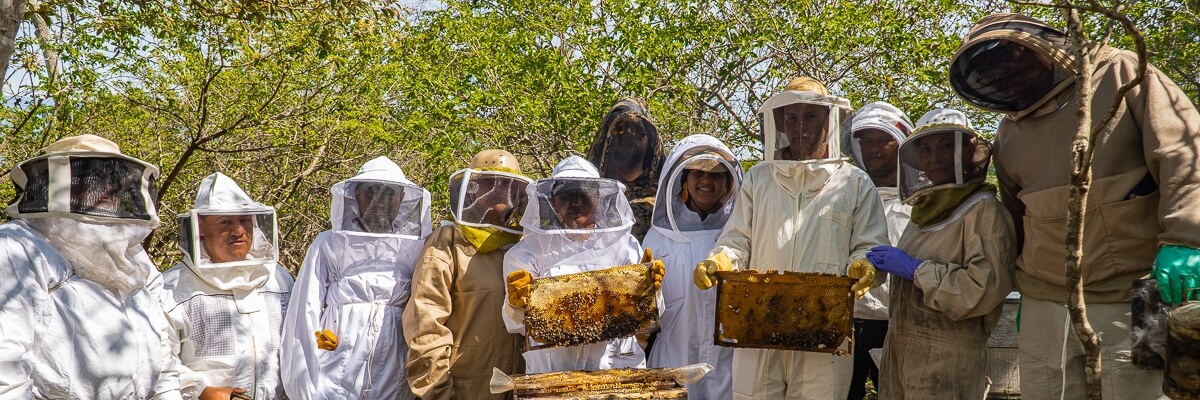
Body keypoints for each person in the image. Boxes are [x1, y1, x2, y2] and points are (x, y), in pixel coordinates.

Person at [949, 13, 1200, 399]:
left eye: (1006, 59)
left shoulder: (1120, 72)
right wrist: (1024, 286)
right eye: (989, 71)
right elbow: (1017, 214)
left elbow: (1184, 152)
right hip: (1043, 304)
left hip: (1132, 296)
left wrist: (1187, 237)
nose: (1001, 75)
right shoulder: (1009, 130)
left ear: (1041, 45)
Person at [692, 77, 888, 399]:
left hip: (824, 331)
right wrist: (720, 259)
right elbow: (738, 240)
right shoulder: (759, 178)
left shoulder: (854, 183)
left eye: (810, 116)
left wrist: (864, 264)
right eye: (792, 117)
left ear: (828, 121)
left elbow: (869, 246)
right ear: (780, 122)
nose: (800, 126)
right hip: (758, 329)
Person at [0, 134, 183, 399]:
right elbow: (5, 369)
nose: (106, 188)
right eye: (92, 177)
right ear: (58, 183)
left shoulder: (133, 256)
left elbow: (161, 351)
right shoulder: (17, 247)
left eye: (114, 179)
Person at [868, 108, 1017, 399]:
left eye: (946, 146)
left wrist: (916, 270)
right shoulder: (924, 212)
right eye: (926, 149)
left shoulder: (984, 211)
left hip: (949, 359)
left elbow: (981, 290)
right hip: (902, 352)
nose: (934, 157)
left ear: (968, 151)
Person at [281, 156, 431, 400]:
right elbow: (304, 309)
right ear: (357, 195)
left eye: (389, 193)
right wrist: (302, 379)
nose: (379, 200)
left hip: (396, 352)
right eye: (372, 191)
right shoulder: (328, 242)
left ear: (401, 198)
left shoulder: (417, 246)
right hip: (337, 354)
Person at [502, 155, 664, 373]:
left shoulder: (626, 246)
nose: (576, 202)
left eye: (585, 194)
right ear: (552, 198)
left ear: (598, 197)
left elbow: (652, 316)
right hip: (553, 371)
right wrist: (515, 305)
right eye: (567, 195)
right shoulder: (527, 252)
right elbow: (515, 325)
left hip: (615, 368)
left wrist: (650, 291)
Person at [402, 150, 532, 399]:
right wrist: (438, 394)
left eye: (506, 184)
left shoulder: (525, 246)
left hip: (517, 387)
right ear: (472, 188)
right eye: (488, 182)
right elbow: (425, 326)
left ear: (518, 191)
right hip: (462, 390)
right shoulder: (448, 241)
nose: (498, 190)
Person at [161, 172, 294, 400]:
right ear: (200, 226)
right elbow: (157, 358)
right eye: (225, 222)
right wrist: (200, 391)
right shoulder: (171, 288)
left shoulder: (278, 278)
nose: (238, 231)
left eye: (244, 221)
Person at [644, 134, 744, 399]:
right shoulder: (658, 236)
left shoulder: (739, 235)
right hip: (673, 357)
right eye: (697, 173)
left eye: (716, 175)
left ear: (728, 183)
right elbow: (644, 316)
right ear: (684, 178)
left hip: (728, 362)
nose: (706, 181)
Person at [844, 101, 914, 400]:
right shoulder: (846, 194)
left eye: (883, 140)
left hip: (898, 322)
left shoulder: (919, 200)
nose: (874, 149)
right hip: (847, 320)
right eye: (867, 141)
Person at [585, 97, 666, 242]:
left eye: (637, 132)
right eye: (620, 132)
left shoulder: (668, 201)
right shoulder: (582, 198)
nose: (628, 140)